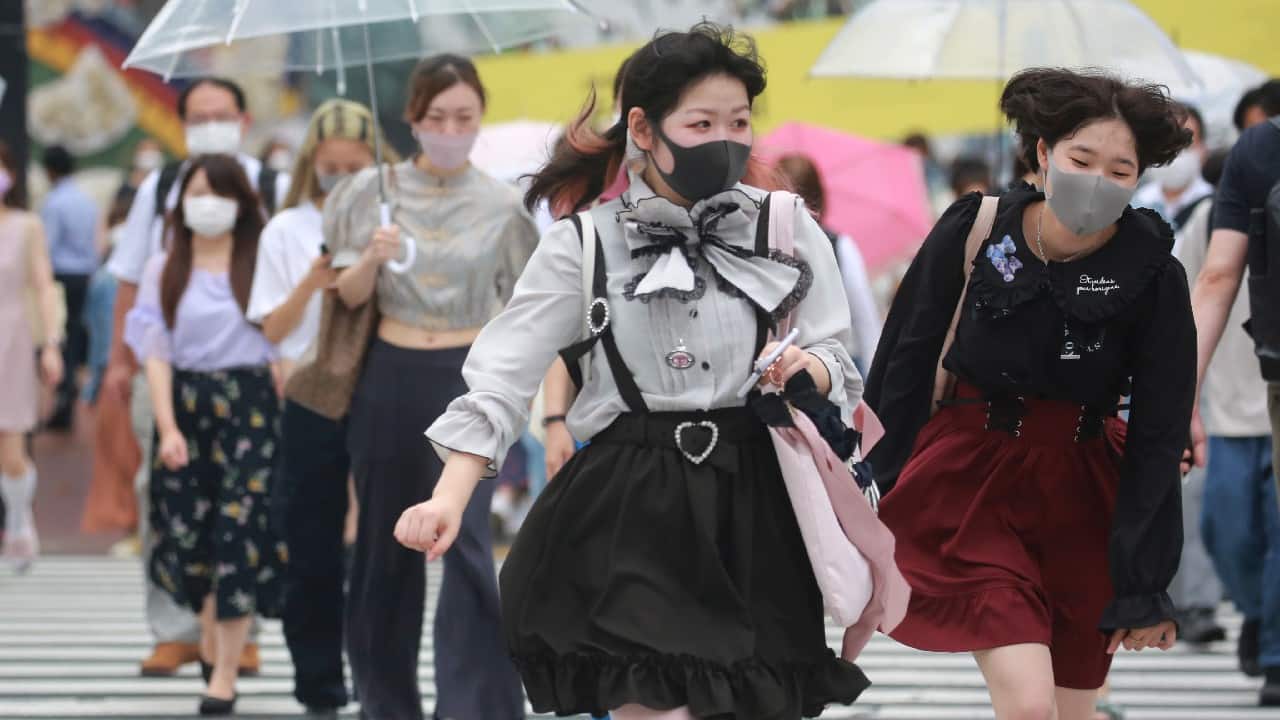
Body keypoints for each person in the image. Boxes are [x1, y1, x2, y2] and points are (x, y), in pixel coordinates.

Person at [395, 23, 872, 720]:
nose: (726, 140)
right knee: (649, 705)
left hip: (757, 500)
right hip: (632, 501)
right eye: (701, 122)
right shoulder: (582, 243)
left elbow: (839, 358)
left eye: (739, 122)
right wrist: (447, 497)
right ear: (644, 130)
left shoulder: (785, 226)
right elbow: (502, 377)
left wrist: (812, 369)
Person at [866, 68, 1194, 719]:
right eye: (1081, 158)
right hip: (974, 479)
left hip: (1086, 490)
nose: (1098, 179)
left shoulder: (1154, 273)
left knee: (1069, 711)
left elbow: (1159, 429)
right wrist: (869, 483)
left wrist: (1143, 579)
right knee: (1028, 705)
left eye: (1120, 169)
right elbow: (902, 362)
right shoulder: (978, 228)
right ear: (1044, 153)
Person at [326, 53, 538, 720]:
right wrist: (371, 257)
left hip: (467, 379)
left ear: (479, 120)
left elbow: (528, 306)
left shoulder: (505, 205)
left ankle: (476, 704)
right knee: (384, 552)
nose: (450, 128)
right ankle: (385, 703)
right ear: (413, 119)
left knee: (469, 543)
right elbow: (346, 293)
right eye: (436, 116)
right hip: (388, 377)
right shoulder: (369, 191)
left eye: (464, 117)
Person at [103, 75, 289, 678]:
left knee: (245, 509)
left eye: (222, 113)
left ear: (242, 119)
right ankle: (175, 629)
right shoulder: (162, 185)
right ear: (184, 123)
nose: (211, 123)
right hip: (168, 372)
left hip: (250, 383)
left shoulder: (270, 186)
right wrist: (118, 359)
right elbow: (131, 278)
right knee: (166, 502)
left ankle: (240, 633)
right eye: (198, 115)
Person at [245, 98, 387, 718]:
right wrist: (313, 277)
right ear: (312, 164)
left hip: (382, 386)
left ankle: (376, 670)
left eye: (354, 165)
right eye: (330, 166)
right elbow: (272, 330)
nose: (340, 176)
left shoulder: (392, 218)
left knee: (381, 543)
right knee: (313, 543)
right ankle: (320, 681)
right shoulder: (285, 228)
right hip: (308, 395)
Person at [1187, 75, 1280, 707]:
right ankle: (1262, 621)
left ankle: (1274, 650)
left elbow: (1217, 279)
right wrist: (1182, 398)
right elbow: (1210, 279)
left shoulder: (1259, 153)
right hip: (1237, 400)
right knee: (1233, 533)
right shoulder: (1258, 157)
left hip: (1268, 384)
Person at [0, 142, 64, 570]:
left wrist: (52, 344)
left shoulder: (26, 226)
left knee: (11, 444)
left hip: (11, 337)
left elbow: (43, 285)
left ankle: (20, 522)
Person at [774, 152, 881, 371]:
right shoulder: (759, 248)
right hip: (780, 372)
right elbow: (866, 321)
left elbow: (865, 320)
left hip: (832, 371)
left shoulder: (839, 246)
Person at [40, 144, 99, 430]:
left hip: (61, 276)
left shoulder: (54, 202)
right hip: (83, 276)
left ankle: (62, 399)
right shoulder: (85, 200)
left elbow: (46, 248)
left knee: (56, 337)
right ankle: (67, 396)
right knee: (74, 335)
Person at [1132, 103, 1212, 231]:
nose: (1176, 154)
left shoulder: (1214, 206)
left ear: (1203, 149)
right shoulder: (1136, 203)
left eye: (1187, 144)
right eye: (1167, 144)